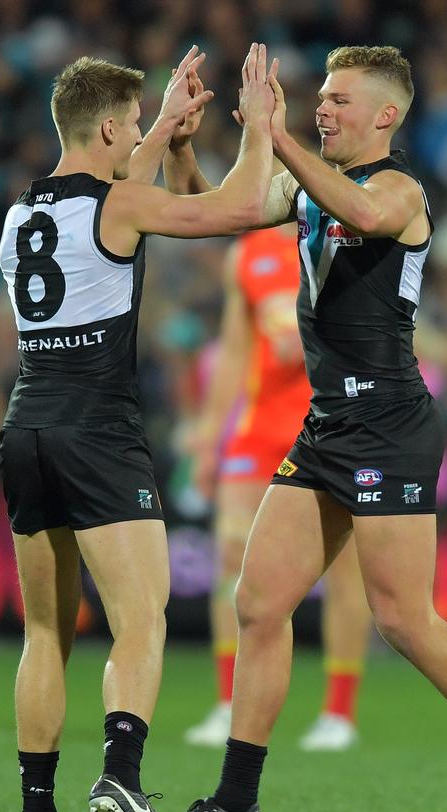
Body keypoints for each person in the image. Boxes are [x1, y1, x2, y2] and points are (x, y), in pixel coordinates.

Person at [162, 46, 447, 812]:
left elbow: (368, 214)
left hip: (388, 422)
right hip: (327, 427)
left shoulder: (400, 190)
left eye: (341, 100)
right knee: (258, 603)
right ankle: (237, 803)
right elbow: (210, 209)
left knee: (404, 621)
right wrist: (181, 143)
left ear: (386, 115)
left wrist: (277, 138)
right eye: (321, 98)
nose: (324, 109)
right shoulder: (309, 189)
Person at [0, 43, 276, 812]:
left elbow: (106, 192)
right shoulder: (119, 207)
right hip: (99, 430)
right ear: (110, 127)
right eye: (132, 127)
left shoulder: (21, 212)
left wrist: (158, 130)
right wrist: (257, 124)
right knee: (140, 617)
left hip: (26, 425)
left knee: (45, 631)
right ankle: (121, 773)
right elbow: (238, 206)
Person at [183, 222, 370, 752]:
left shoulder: (342, 240)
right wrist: (207, 437)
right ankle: (228, 703)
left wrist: (311, 329)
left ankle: (338, 713)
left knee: (345, 572)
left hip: (330, 424)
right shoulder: (246, 254)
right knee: (231, 560)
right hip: (258, 429)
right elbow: (236, 354)